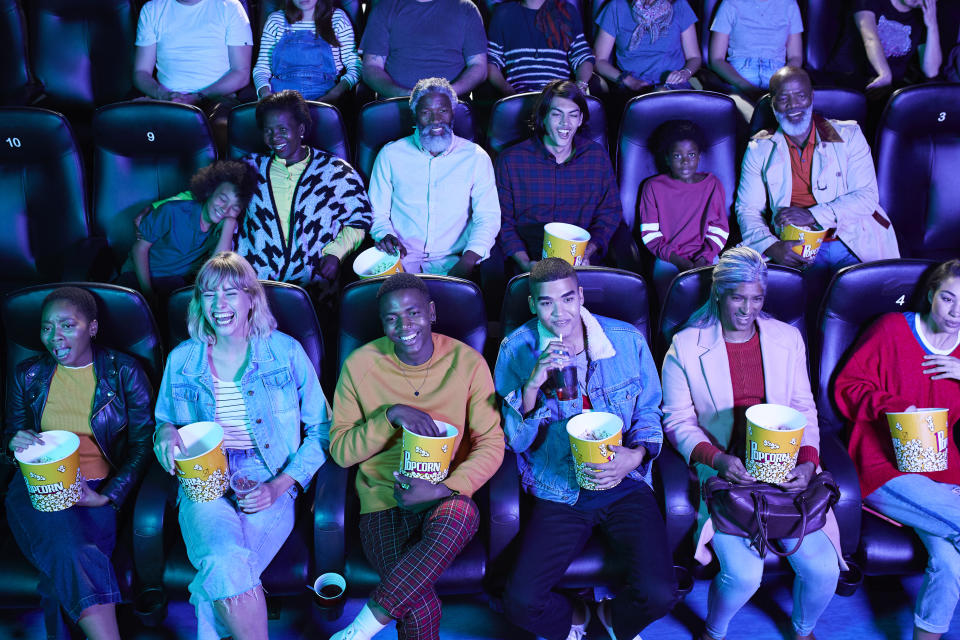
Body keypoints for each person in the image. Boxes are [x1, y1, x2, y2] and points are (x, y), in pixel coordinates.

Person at [661, 247, 843, 640]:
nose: (747, 308)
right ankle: (714, 629)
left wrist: (809, 463)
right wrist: (717, 459)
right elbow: (677, 419)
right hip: (729, 473)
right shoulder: (687, 346)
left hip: (786, 467)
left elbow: (802, 407)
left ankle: (803, 628)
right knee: (745, 575)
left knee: (824, 569)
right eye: (737, 297)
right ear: (719, 294)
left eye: (757, 297)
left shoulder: (787, 338)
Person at [495, 258, 676, 640]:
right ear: (532, 304)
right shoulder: (516, 348)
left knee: (660, 595)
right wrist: (531, 387)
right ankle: (577, 615)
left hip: (622, 480)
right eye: (546, 303)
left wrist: (637, 456)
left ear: (580, 296)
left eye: (566, 299)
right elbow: (515, 441)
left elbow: (648, 411)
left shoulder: (627, 340)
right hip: (560, 487)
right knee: (520, 604)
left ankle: (610, 616)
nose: (558, 312)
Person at [153, 252, 330, 640]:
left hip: (268, 476)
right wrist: (164, 434)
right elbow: (163, 420)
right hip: (203, 478)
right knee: (225, 561)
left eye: (231, 293)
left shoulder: (285, 353)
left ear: (252, 298)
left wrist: (280, 486)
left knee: (219, 573)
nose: (219, 305)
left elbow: (322, 431)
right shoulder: (182, 359)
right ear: (198, 302)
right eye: (209, 294)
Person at [329, 272, 504, 640]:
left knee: (463, 512)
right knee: (421, 606)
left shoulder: (468, 362)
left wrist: (444, 489)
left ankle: (361, 628)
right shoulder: (359, 366)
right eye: (391, 318)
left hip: (442, 500)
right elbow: (342, 452)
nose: (404, 325)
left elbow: (491, 442)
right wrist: (389, 415)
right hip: (382, 503)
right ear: (381, 323)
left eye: (413, 313)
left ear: (432, 312)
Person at [3, 287, 154, 640]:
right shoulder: (26, 375)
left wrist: (108, 496)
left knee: (61, 570)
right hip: (37, 484)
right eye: (47, 327)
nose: (54, 337)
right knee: (72, 549)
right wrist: (14, 443)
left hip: (96, 486)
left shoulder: (124, 372)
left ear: (93, 328)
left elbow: (143, 444)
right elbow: (11, 435)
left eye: (67, 325)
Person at [834, 259, 960, 640]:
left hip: (943, 471)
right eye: (948, 299)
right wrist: (891, 406)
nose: (955, 313)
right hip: (882, 465)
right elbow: (847, 387)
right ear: (930, 295)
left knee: (951, 565)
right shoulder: (891, 329)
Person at [735, 65, 898, 311]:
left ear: (811, 97)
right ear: (772, 104)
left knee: (869, 307)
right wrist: (770, 245)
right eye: (784, 98)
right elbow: (747, 209)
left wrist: (812, 214)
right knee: (790, 309)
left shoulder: (849, 135)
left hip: (852, 236)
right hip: (793, 244)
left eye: (800, 96)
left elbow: (867, 197)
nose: (793, 105)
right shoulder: (760, 148)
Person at [237, 90, 373, 293]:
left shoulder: (335, 170)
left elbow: (360, 219)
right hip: (253, 284)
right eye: (268, 130)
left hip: (313, 284)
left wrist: (336, 253)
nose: (275, 137)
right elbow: (212, 197)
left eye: (282, 129)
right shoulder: (249, 168)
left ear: (300, 129)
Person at [370, 78, 500, 278]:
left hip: (456, 260)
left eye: (442, 111)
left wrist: (468, 260)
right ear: (414, 115)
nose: (435, 119)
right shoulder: (390, 155)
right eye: (426, 112)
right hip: (399, 260)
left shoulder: (476, 157)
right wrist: (384, 235)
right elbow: (377, 212)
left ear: (452, 114)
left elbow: (487, 217)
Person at [495, 80, 622, 273]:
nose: (565, 123)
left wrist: (588, 252)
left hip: (582, 264)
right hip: (529, 263)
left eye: (573, 115)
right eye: (557, 115)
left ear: (580, 120)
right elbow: (504, 223)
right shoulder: (511, 161)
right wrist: (525, 263)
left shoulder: (596, 157)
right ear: (543, 117)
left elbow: (610, 213)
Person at [122, 160, 257, 300]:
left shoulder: (223, 231)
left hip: (174, 283)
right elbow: (139, 249)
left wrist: (229, 225)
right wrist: (147, 292)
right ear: (210, 191)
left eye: (235, 207)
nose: (226, 209)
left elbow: (216, 270)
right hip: (138, 276)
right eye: (222, 199)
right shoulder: (173, 211)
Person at [638, 119, 728, 301]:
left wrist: (704, 259)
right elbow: (650, 235)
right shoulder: (653, 187)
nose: (686, 162)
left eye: (692, 155)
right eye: (678, 156)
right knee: (672, 303)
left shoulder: (712, 184)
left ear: (699, 157)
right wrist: (679, 262)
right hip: (668, 258)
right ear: (667, 158)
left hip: (706, 257)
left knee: (715, 302)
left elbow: (719, 229)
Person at [133, 0, 253, 109]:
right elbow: (141, 71)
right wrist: (161, 94)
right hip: (166, 100)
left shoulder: (230, 7)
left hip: (216, 100)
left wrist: (198, 97)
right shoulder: (152, 9)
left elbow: (241, 72)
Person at [359, 0, 488, 97]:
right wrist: (406, 95)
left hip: (452, 105)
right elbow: (371, 67)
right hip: (397, 103)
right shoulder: (384, 7)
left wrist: (447, 94)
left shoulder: (466, 8)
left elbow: (479, 66)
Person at [253, 0, 361, 102]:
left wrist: (335, 94)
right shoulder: (276, 20)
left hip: (325, 94)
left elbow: (355, 66)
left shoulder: (337, 18)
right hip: (281, 96)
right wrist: (265, 94)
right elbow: (262, 68)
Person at [830, 0, 941, 94]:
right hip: (850, 78)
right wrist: (885, 75)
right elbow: (870, 38)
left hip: (891, 89)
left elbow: (931, 71)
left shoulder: (922, 15)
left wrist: (932, 25)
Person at [487, 0, 595, 95]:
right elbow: (492, 62)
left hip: (558, 97)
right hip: (519, 95)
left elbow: (583, 57)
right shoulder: (503, 13)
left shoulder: (566, 11)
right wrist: (507, 90)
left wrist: (580, 86)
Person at [594, 0, 701, 91]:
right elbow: (599, 61)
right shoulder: (616, 6)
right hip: (631, 87)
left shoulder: (680, 5)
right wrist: (628, 80)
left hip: (674, 86)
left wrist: (684, 73)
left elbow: (694, 57)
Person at [708, 0, 803, 97]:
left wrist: (783, 82)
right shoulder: (730, 3)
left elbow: (795, 57)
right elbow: (716, 59)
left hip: (777, 77)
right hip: (739, 76)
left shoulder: (789, 4)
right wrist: (745, 86)